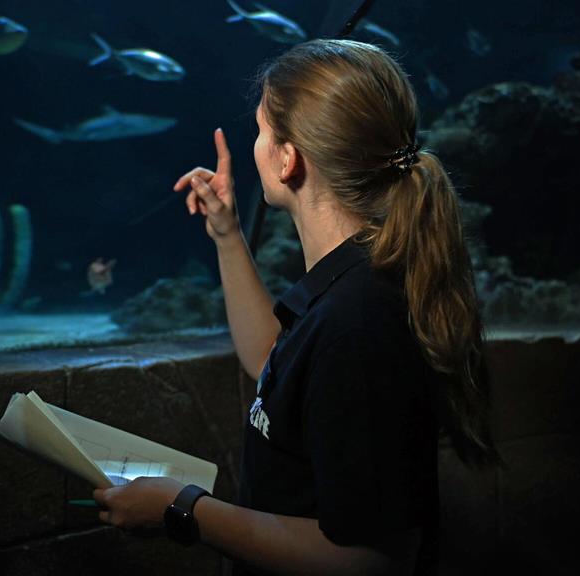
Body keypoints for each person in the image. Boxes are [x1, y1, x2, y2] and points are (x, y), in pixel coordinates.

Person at [92, 39, 499, 575]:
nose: (255, 143)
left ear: (288, 159)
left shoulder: (357, 322)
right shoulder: (348, 282)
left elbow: (371, 561)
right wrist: (227, 233)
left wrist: (185, 509)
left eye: (262, 130)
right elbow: (275, 363)